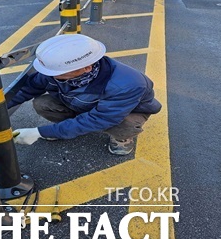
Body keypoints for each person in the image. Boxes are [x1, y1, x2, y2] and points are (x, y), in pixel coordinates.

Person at [9, 35, 162, 155]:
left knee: (125, 123)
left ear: (87, 68)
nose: (51, 76)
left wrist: (41, 132)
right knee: (42, 103)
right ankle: (70, 128)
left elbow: (100, 119)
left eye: (57, 73)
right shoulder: (56, 68)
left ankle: (122, 136)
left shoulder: (127, 84)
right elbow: (28, 89)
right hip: (83, 103)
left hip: (124, 111)